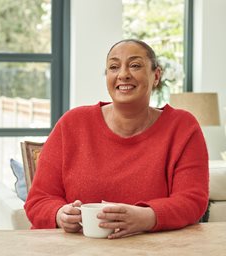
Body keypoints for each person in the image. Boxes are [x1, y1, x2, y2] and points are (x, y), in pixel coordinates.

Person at [24, 39, 209, 239]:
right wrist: (60, 214)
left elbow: (192, 200)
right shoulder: (72, 123)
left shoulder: (182, 127)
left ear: (156, 75)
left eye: (135, 65)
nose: (123, 74)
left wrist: (147, 217)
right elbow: (38, 200)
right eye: (113, 67)